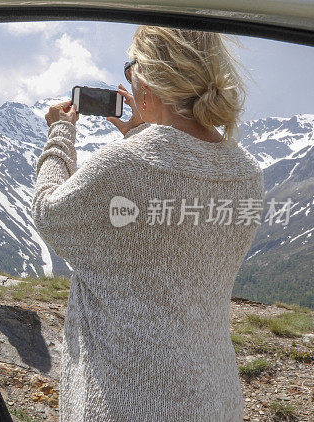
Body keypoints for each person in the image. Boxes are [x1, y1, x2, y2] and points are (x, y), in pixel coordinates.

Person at [33, 26, 263, 420]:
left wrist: (59, 134)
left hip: (127, 398)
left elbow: (48, 212)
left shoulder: (124, 164)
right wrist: (142, 132)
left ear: (149, 77)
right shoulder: (246, 171)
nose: (129, 78)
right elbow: (175, 230)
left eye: (131, 68)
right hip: (214, 396)